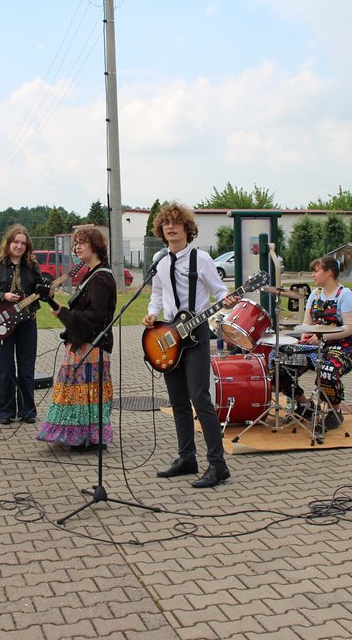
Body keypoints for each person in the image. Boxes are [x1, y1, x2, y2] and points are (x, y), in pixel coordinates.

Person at [143, 201, 238, 489]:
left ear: (187, 228)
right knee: (178, 402)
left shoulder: (202, 259)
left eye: (176, 223)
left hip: (196, 335)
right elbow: (157, 295)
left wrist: (227, 301)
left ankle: (218, 465)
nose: (170, 227)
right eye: (166, 224)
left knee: (200, 398)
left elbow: (220, 293)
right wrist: (152, 314)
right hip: (169, 338)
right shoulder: (161, 263)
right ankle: (187, 458)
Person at [36, 228, 117, 451]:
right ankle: (81, 435)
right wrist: (60, 309)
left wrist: (64, 314)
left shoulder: (101, 278)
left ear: (96, 246)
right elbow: (83, 311)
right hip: (84, 342)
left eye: (82, 243)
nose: (77, 247)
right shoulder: (93, 274)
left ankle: (88, 438)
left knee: (87, 392)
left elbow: (94, 317)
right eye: (76, 243)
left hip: (93, 344)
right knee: (79, 391)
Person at [0, 225, 43, 424]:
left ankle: (27, 411)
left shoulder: (32, 266)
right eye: (16, 242)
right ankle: (4, 412)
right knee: (4, 367)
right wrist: (4, 296)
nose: (19, 246)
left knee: (26, 367)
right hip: (3, 322)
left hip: (27, 321)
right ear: (8, 243)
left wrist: (46, 293)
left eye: (23, 243)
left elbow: (40, 290)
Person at [295, 256, 352, 428]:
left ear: (328, 272)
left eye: (316, 271)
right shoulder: (315, 294)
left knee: (327, 370)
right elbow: (307, 323)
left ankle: (335, 411)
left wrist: (323, 337)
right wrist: (305, 334)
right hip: (318, 345)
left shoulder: (345, 295)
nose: (312, 274)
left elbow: (350, 328)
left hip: (345, 347)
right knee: (279, 362)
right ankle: (304, 404)